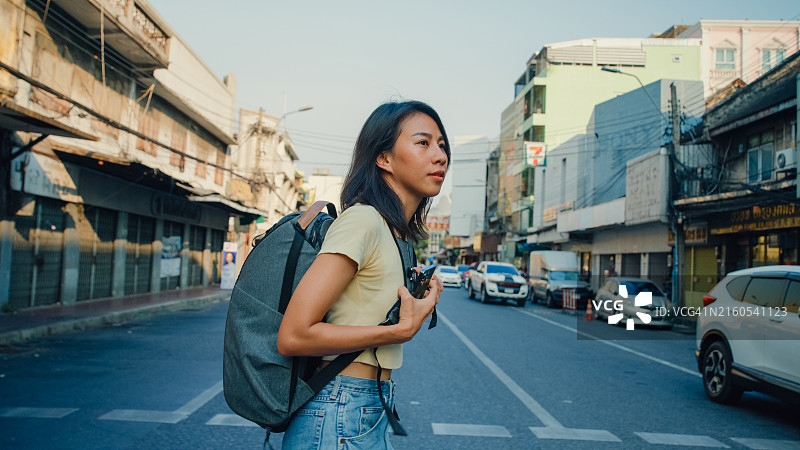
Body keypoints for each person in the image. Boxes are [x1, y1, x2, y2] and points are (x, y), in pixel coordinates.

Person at [277, 100, 449, 448]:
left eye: (442, 145)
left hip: (366, 404)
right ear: (383, 158)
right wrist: (398, 331)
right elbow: (293, 336)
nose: (440, 156)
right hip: (339, 407)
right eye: (423, 142)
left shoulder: (394, 233)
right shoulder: (363, 220)